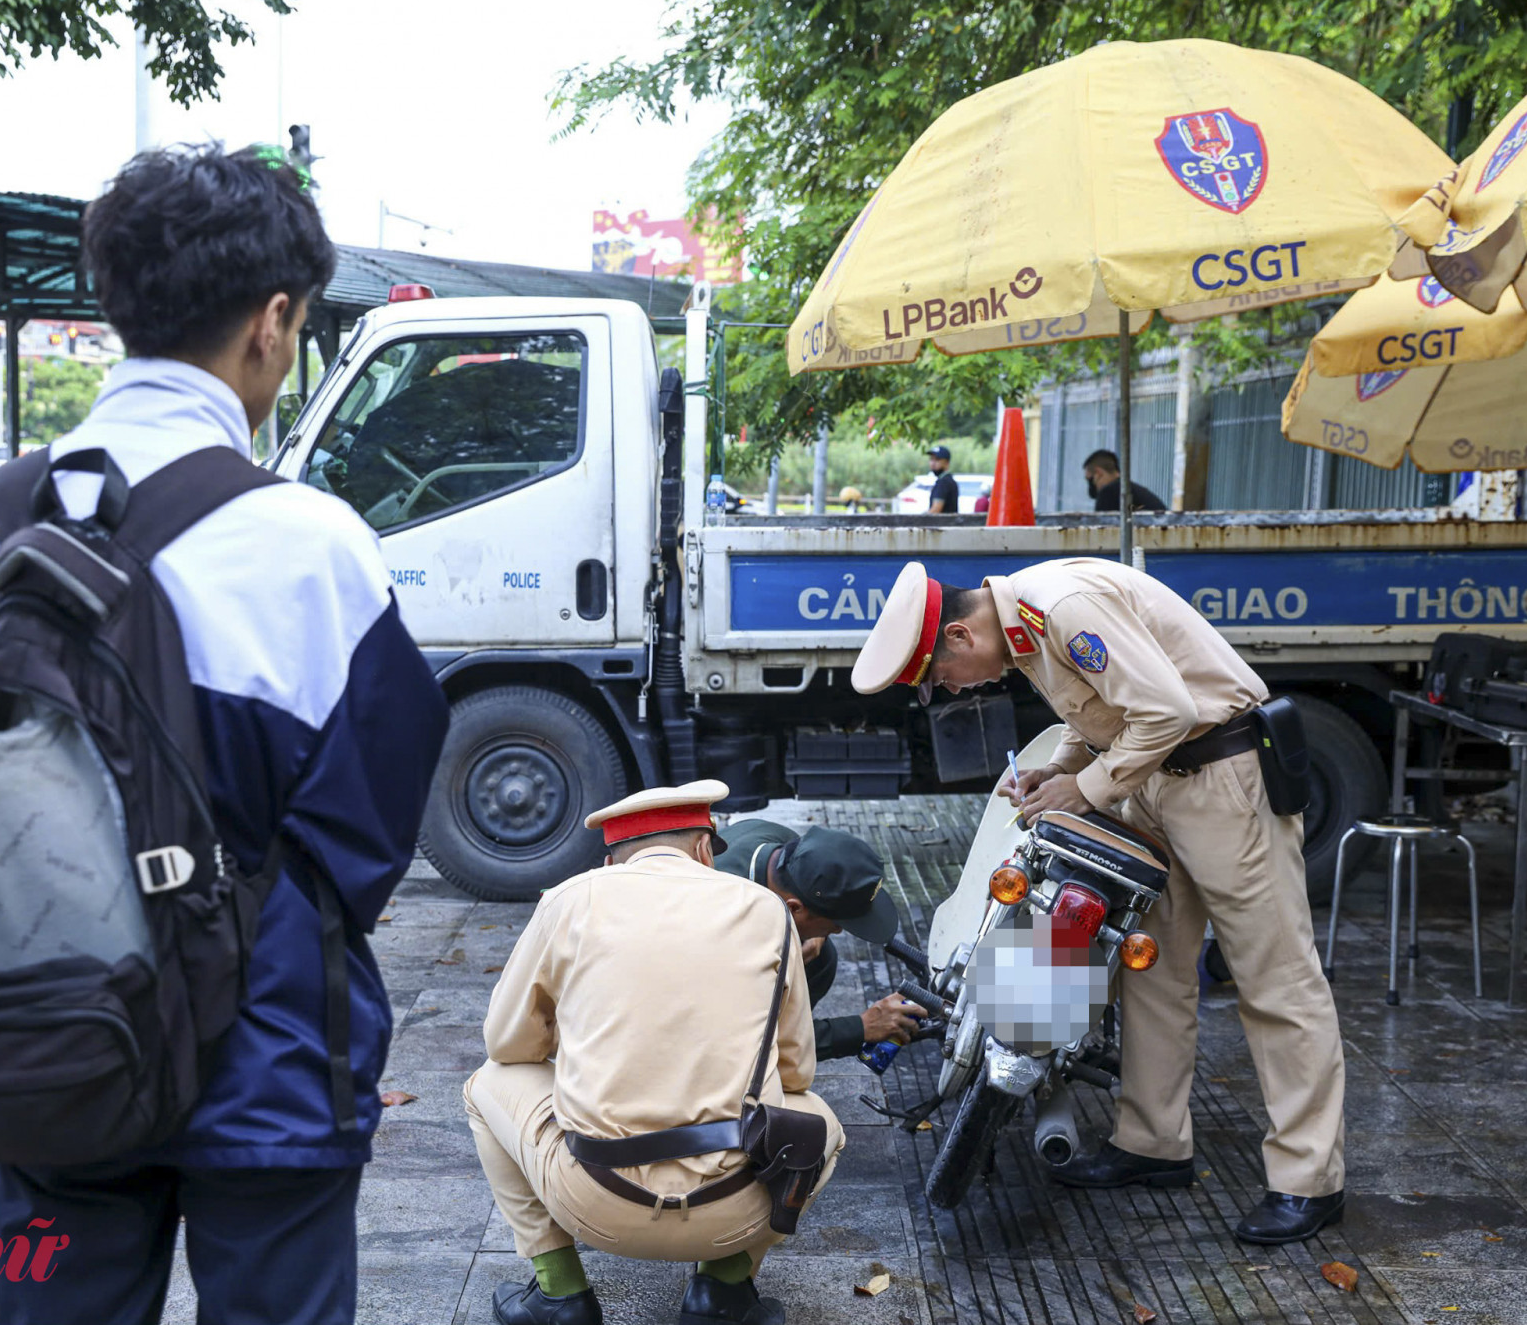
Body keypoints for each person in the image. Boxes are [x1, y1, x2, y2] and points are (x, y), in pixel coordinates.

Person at [0, 144, 450, 1325]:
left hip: (42, 1022)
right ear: (273, 320)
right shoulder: (312, 540)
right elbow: (368, 831)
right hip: (266, 1050)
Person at [850, 558, 1346, 1246]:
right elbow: (1111, 709)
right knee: (1152, 975)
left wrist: (1085, 788)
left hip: (1221, 778)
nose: (955, 690)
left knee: (1276, 981)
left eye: (941, 680)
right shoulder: (1026, 629)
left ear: (960, 637)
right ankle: (1152, 1143)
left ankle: (1308, 1181)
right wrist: (1064, 768)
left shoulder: (1062, 606)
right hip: (1157, 783)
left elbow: (1168, 710)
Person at [467, 781, 845, 1325]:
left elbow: (508, 1046)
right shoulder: (767, 910)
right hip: (734, 1209)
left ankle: (560, 1293)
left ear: (611, 859)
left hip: (594, 1202)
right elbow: (797, 1069)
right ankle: (723, 1291)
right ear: (703, 848)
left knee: (486, 1085)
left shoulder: (570, 899)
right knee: (817, 1120)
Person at [713, 818, 925, 1061]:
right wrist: (861, 1028)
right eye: (837, 924)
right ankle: (785, 1058)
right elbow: (742, 1038)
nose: (837, 932)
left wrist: (808, 936)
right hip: (689, 1016)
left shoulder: (785, 844)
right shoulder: (728, 923)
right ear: (794, 909)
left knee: (822, 958)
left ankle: (794, 1033)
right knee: (759, 1049)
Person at [1083, 449, 1165, 512]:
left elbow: (1101, 530)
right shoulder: (1131, 490)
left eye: (1090, 479)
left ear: (1098, 473)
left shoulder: (1109, 493)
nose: (1091, 484)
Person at [924, 445, 960, 513]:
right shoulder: (947, 480)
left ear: (946, 463)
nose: (933, 463)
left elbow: (935, 510)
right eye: (931, 459)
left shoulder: (943, 482)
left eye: (937, 459)